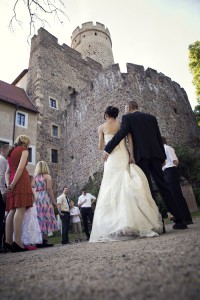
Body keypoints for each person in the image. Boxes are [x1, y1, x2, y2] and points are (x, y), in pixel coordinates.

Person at [103, 101, 187, 230]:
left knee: (147, 189)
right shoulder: (151, 118)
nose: (124, 111)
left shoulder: (127, 117)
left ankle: (159, 224)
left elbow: (122, 133)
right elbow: (159, 137)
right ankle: (180, 220)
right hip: (156, 155)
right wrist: (163, 157)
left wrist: (108, 148)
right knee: (164, 186)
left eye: (125, 108)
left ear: (129, 108)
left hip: (141, 156)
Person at [90, 106, 163, 242]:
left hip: (111, 158)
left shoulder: (101, 127)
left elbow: (101, 147)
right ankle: (132, 220)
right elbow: (130, 141)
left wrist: (104, 141)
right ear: (117, 114)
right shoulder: (122, 124)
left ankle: (115, 224)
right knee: (126, 182)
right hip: (124, 154)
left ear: (106, 114)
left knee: (111, 186)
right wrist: (132, 155)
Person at [5, 135, 32, 252]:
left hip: (11, 182)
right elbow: (21, 168)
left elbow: (7, 172)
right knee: (20, 209)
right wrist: (14, 184)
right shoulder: (24, 150)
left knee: (12, 210)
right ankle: (17, 242)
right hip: (20, 181)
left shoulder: (10, 153)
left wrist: (9, 185)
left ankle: (8, 242)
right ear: (25, 142)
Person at [162, 137, 193, 225]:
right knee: (172, 196)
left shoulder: (168, 148)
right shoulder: (161, 150)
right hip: (166, 172)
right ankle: (181, 218)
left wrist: (171, 169)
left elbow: (175, 161)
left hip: (171, 171)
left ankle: (187, 218)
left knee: (177, 195)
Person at [34, 161, 58, 247]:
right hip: (45, 197)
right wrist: (53, 200)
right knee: (46, 217)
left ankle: (38, 240)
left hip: (36, 197)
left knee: (39, 218)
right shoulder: (47, 176)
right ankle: (44, 240)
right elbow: (49, 188)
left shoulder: (35, 177)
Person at [22, 175, 43, 249]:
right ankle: (31, 241)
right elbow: (35, 197)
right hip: (31, 207)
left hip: (28, 208)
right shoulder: (32, 189)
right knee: (31, 223)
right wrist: (32, 203)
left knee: (26, 223)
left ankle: (26, 240)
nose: (34, 183)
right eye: (33, 181)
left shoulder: (25, 189)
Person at [0, 144, 10, 253]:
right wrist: (3, 192)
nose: (10, 153)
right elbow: (1, 176)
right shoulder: (2, 160)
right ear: (3, 150)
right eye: (9, 150)